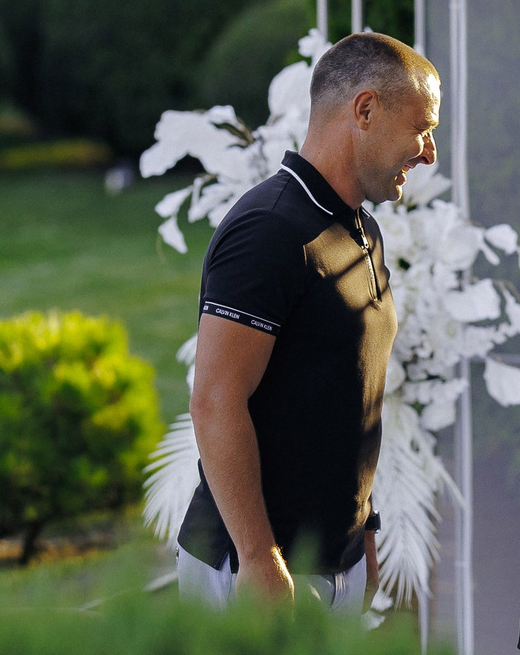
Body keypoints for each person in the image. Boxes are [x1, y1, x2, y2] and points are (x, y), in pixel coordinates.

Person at [176, 32, 439, 609]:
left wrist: (364, 530)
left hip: (332, 569)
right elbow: (215, 400)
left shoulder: (361, 230)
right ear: (365, 110)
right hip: (258, 575)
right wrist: (258, 558)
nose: (428, 153)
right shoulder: (268, 229)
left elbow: (347, 395)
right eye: (423, 128)